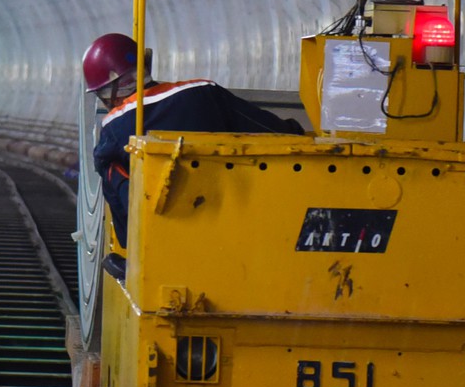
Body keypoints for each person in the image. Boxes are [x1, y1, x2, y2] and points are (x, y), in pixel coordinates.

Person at [82, 33, 302, 246]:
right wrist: (296, 131)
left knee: (109, 166)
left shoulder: (114, 128)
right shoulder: (203, 92)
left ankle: (131, 247)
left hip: (165, 233)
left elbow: (110, 179)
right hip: (239, 213)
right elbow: (267, 129)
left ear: (111, 91)